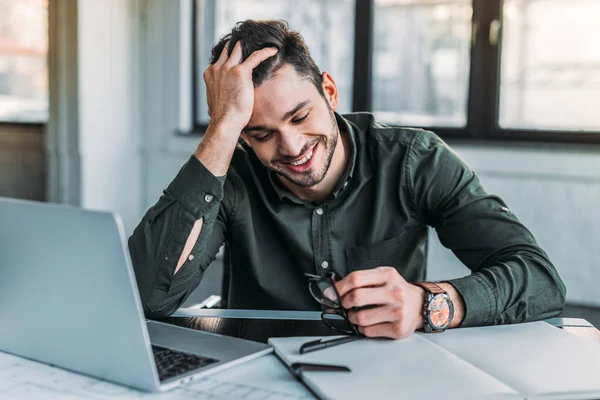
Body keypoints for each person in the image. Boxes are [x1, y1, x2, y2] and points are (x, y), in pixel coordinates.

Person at [129, 20, 565, 339]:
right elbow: (148, 297)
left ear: (330, 92)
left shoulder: (415, 160)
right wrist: (222, 129)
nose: (292, 146)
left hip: (385, 368)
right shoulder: (231, 170)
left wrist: (427, 304)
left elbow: (539, 279)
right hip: (253, 369)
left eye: (301, 116)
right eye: (260, 133)